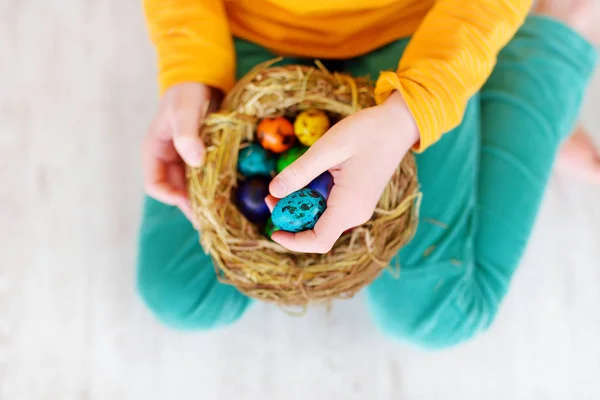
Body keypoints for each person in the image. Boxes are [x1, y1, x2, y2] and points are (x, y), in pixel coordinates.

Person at [138, 0, 599, 347]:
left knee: (439, 316)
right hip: (249, 30)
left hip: (423, 34)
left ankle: (547, 51)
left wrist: (416, 107)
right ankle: (509, 95)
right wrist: (189, 68)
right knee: (180, 294)